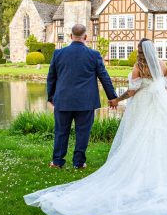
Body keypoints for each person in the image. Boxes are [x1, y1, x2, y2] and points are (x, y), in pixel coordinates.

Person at [25, 38, 167, 215]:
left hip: (141, 106)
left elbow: (132, 92)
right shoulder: (163, 65)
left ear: (139, 50)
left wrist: (117, 99)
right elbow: (166, 91)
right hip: (158, 108)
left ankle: (135, 170)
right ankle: (154, 171)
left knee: (137, 137)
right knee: (158, 139)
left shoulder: (138, 67)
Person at [46, 24, 117, 169]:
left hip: (63, 100)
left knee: (61, 131)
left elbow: (51, 78)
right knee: (83, 132)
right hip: (85, 102)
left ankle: (57, 161)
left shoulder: (58, 54)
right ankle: (78, 163)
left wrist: (51, 97)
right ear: (85, 37)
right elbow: (104, 77)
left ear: (71, 36)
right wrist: (112, 97)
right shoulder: (94, 55)